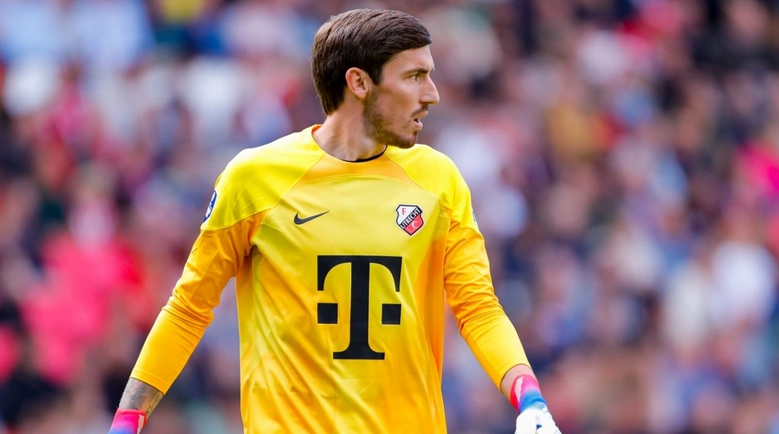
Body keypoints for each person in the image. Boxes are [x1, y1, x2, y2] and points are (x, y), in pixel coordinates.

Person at [106, 8, 561, 434]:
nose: (432, 94)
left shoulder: (438, 180)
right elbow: (188, 309)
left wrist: (531, 401)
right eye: (414, 76)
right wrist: (127, 421)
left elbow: (478, 308)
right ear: (359, 82)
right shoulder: (254, 179)